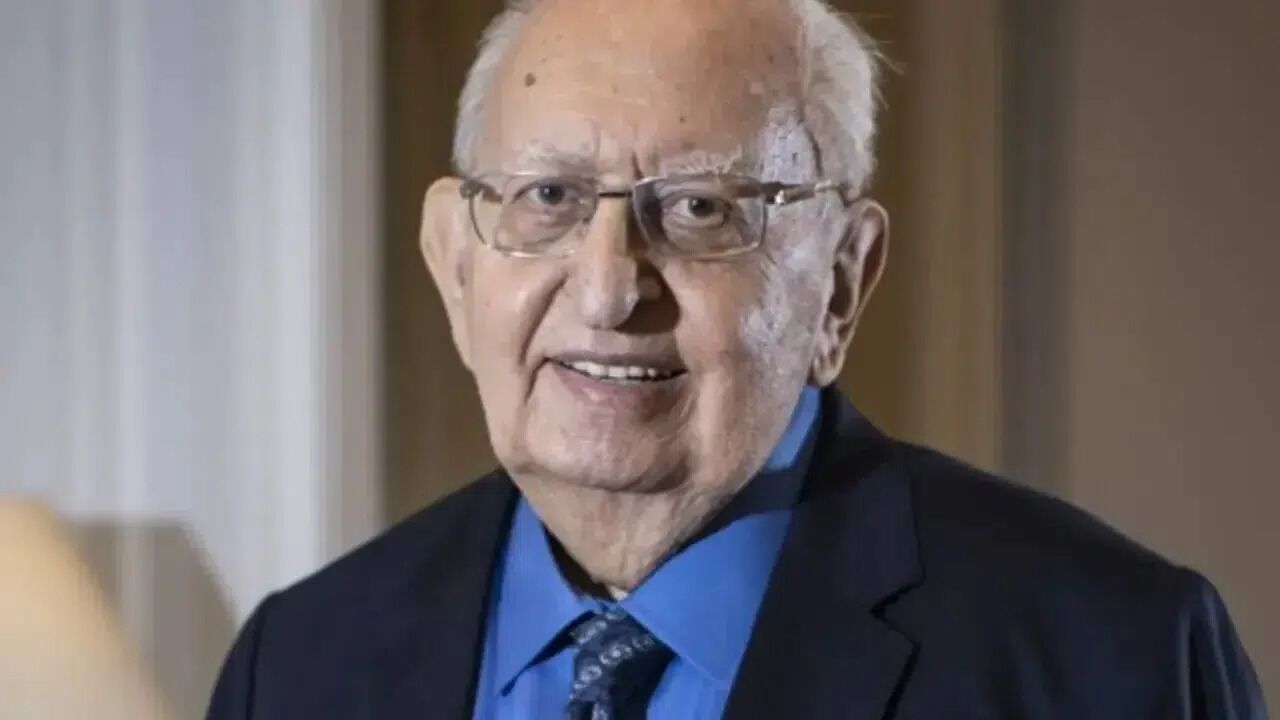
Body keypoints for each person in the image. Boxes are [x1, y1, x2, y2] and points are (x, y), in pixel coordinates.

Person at [208, 0, 1268, 717]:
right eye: (548, 197)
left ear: (840, 282)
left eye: (700, 209)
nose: (608, 289)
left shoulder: (1110, 660)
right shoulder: (297, 668)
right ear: (455, 265)